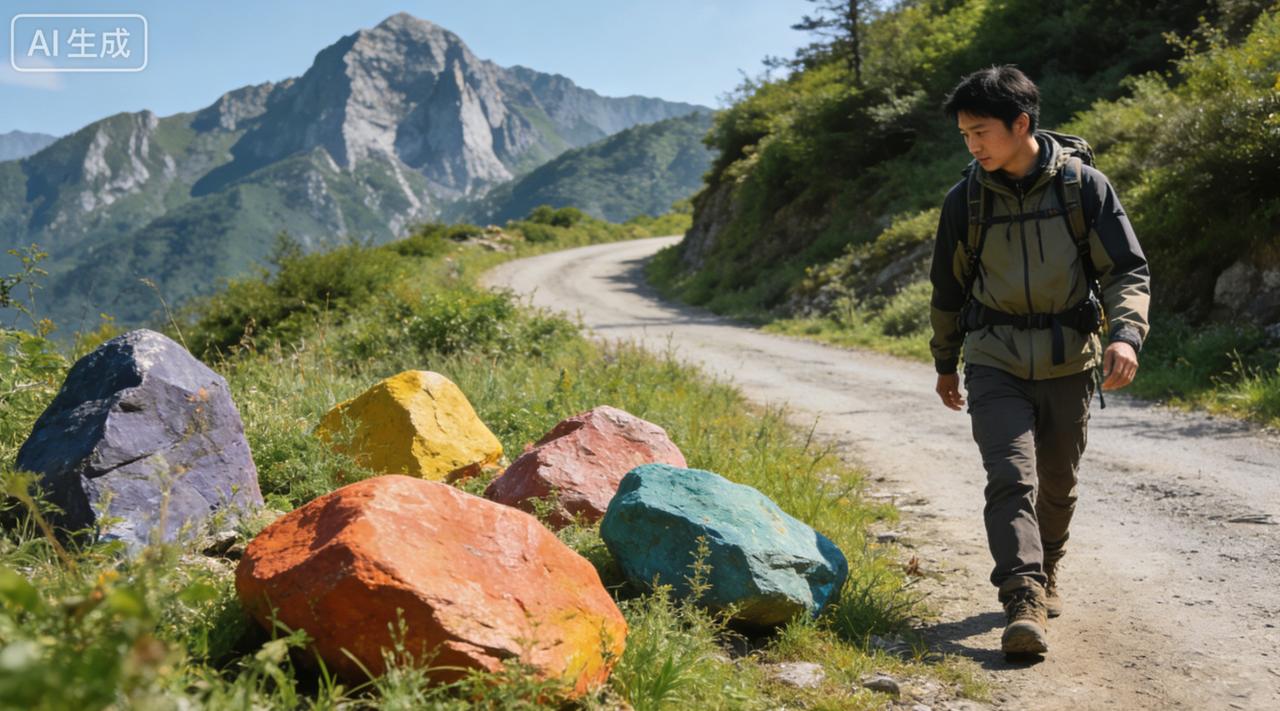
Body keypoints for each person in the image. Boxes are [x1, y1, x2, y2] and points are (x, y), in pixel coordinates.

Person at [927, 65, 1151, 655]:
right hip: (993, 358)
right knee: (1010, 476)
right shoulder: (965, 200)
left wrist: (1126, 334)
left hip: (1069, 360)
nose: (973, 145)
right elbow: (947, 292)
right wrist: (946, 363)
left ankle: (1047, 567)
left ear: (1020, 123)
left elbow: (1126, 269)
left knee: (1058, 481)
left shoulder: (1084, 188)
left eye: (981, 132)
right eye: (964, 135)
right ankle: (1022, 594)